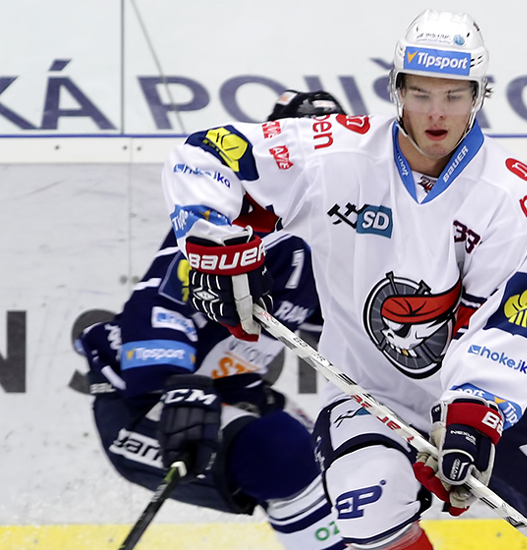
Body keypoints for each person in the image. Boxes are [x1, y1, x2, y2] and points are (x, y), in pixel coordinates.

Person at [160, 10, 527, 550]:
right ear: (397, 90)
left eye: (454, 95)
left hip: (486, 397)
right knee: (372, 522)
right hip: (364, 393)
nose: (437, 112)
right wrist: (214, 248)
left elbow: (507, 318)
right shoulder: (336, 152)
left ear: (479, 96)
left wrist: (473, 413)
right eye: (421, 94)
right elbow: (205, 155)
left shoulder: (513, 194)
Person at [75, 91, 348, 550]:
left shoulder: (334, 239)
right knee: (284, 452)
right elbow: (159, 307)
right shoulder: (226, 220)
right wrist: (175, 385)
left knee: (344, 456)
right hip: (148, 405)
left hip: (234, 396)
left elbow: (348, 340)